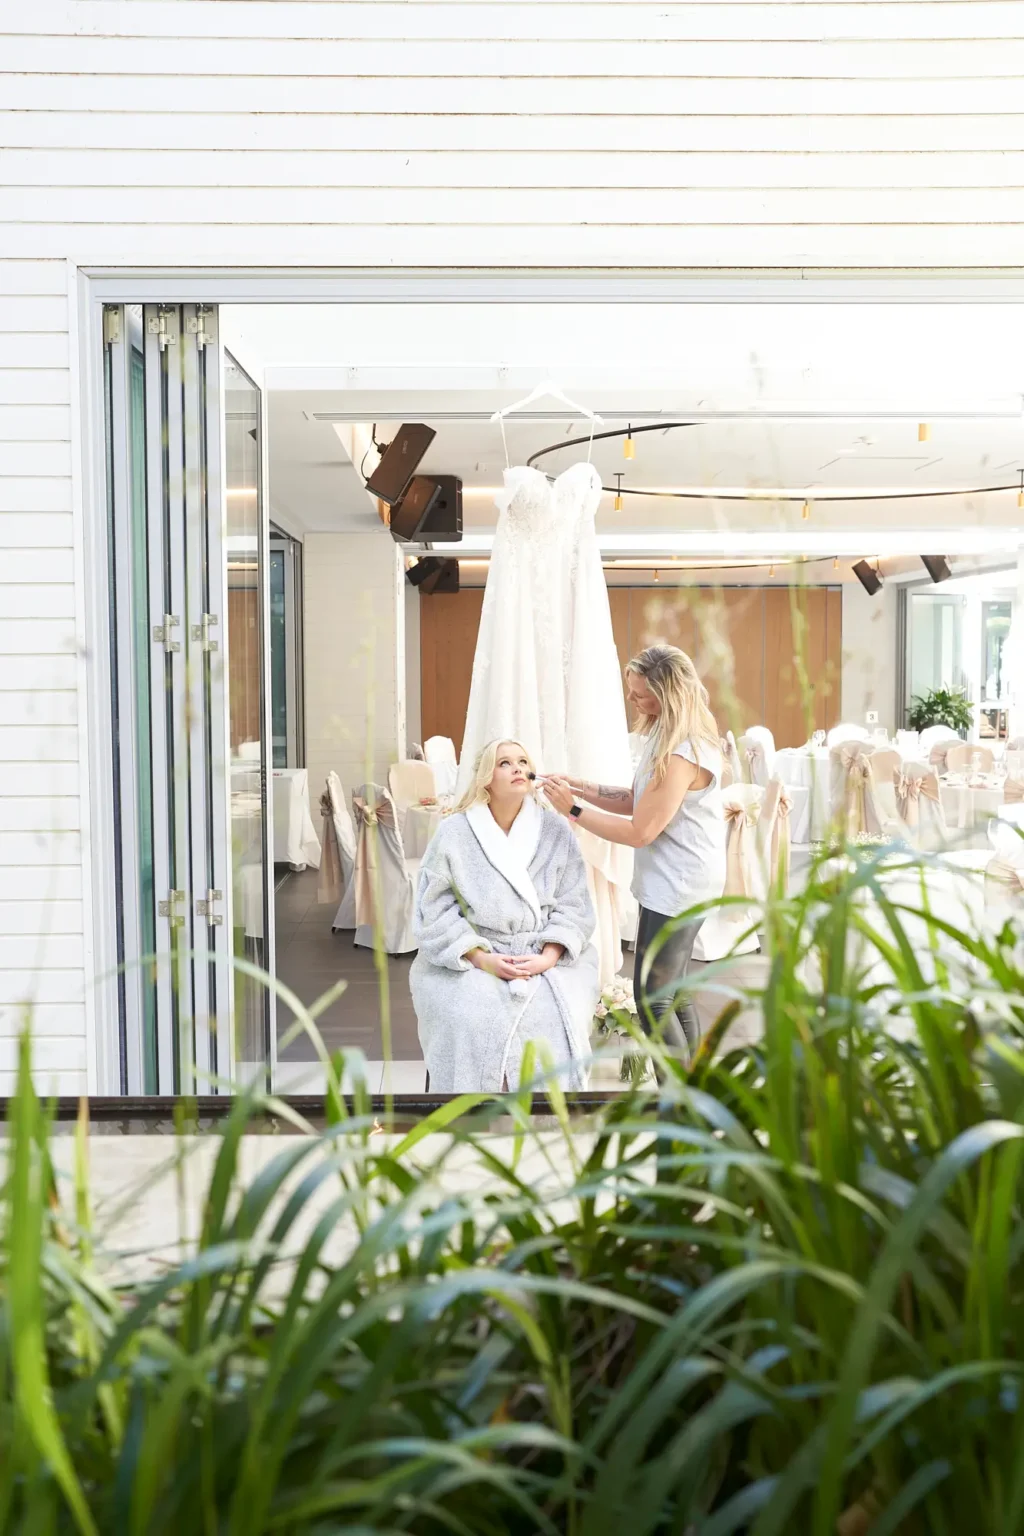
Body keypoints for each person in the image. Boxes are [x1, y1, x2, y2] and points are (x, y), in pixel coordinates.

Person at [542, 645, 726, 1057]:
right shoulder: (666, 733)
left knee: (653, 999)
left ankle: (676, 1101)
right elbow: (635, 799)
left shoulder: (684, 751)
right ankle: (692, 1092)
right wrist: (578, 786)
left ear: (666, 693)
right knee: (671, 992)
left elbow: (640, 830)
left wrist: (570, 809)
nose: (632, 700)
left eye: (639, 693)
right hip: (673, 879)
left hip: (681, 884)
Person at [410, 739, 600, 1093]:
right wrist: (482, 958)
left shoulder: (556, 830)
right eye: (504, 763)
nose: (517, 768)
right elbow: (434, 908)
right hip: (474, 953)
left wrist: (548, 956)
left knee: (551, 1014)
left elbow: (574, 903)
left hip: (543, 951)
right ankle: (476, 1108)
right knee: (471, 1013)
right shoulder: (454, 832)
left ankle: (547, 1114)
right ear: (485, 779)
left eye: (523, 761)